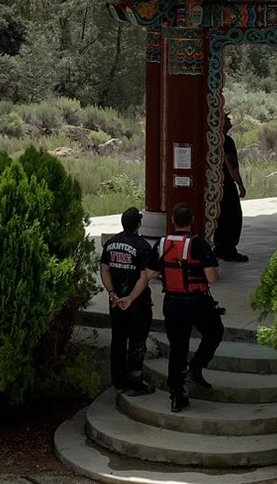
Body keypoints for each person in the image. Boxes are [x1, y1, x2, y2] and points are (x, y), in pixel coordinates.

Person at [153, 202, 223, 413]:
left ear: (173, 220)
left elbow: (150, 273)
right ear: (192, 221)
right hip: (196, 301)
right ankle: (196, 366)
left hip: (172, 302)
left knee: (177, 347)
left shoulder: (161, 243)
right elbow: (212, 278)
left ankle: (177, 394)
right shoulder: (199, 244)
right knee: (215, 332)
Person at [99, 206, 156, 396]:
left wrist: (112, 293)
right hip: (137, 303)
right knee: (137, 342)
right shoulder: (142, 246)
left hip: (116, 302)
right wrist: (130, 298)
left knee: (118, 340)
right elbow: (144, 277)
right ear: (138, 224)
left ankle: (119, 382)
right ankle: (136, 383)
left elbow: (104, 269)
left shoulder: (111, 243)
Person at [215, 113, 248, 261]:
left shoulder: (212, 140)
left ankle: (219, 246)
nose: (230, 122)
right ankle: (229, 248)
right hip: (227, 184)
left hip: (214, 184)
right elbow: (231, 165)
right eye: (227, 119)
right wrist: (240, 184)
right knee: (233, 216)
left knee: (219, 216)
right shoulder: (226, 141)